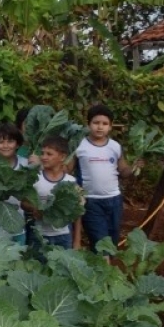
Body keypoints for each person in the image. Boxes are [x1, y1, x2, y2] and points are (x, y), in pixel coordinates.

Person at [73, 104, 140, 249]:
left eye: (104, 124)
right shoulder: (79, 146)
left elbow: (123, 171)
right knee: (100, 242)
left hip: (114, 200)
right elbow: (67, 170)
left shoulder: (115, 146)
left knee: (112, 242)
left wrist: (134, 167)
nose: (100, 127)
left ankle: (103, 263)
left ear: (110, 126)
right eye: (96, 123)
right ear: (88, 124)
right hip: (90, 201)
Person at [27, 136, 82, 251]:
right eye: (42, 153)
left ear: (62, 157)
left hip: (63, 235)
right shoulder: (35, 178)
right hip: (38, 234)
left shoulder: (71, 181)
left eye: (49, 154)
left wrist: (77, 241)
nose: (44, 157)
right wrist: (34, 208)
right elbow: (23, 202)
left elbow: (77, 213)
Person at [0, 123, 28, 244]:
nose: (5, 146)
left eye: (10, 141)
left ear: (17, 144)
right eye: (1, 142)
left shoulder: (25, 165)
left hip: (18, 227)